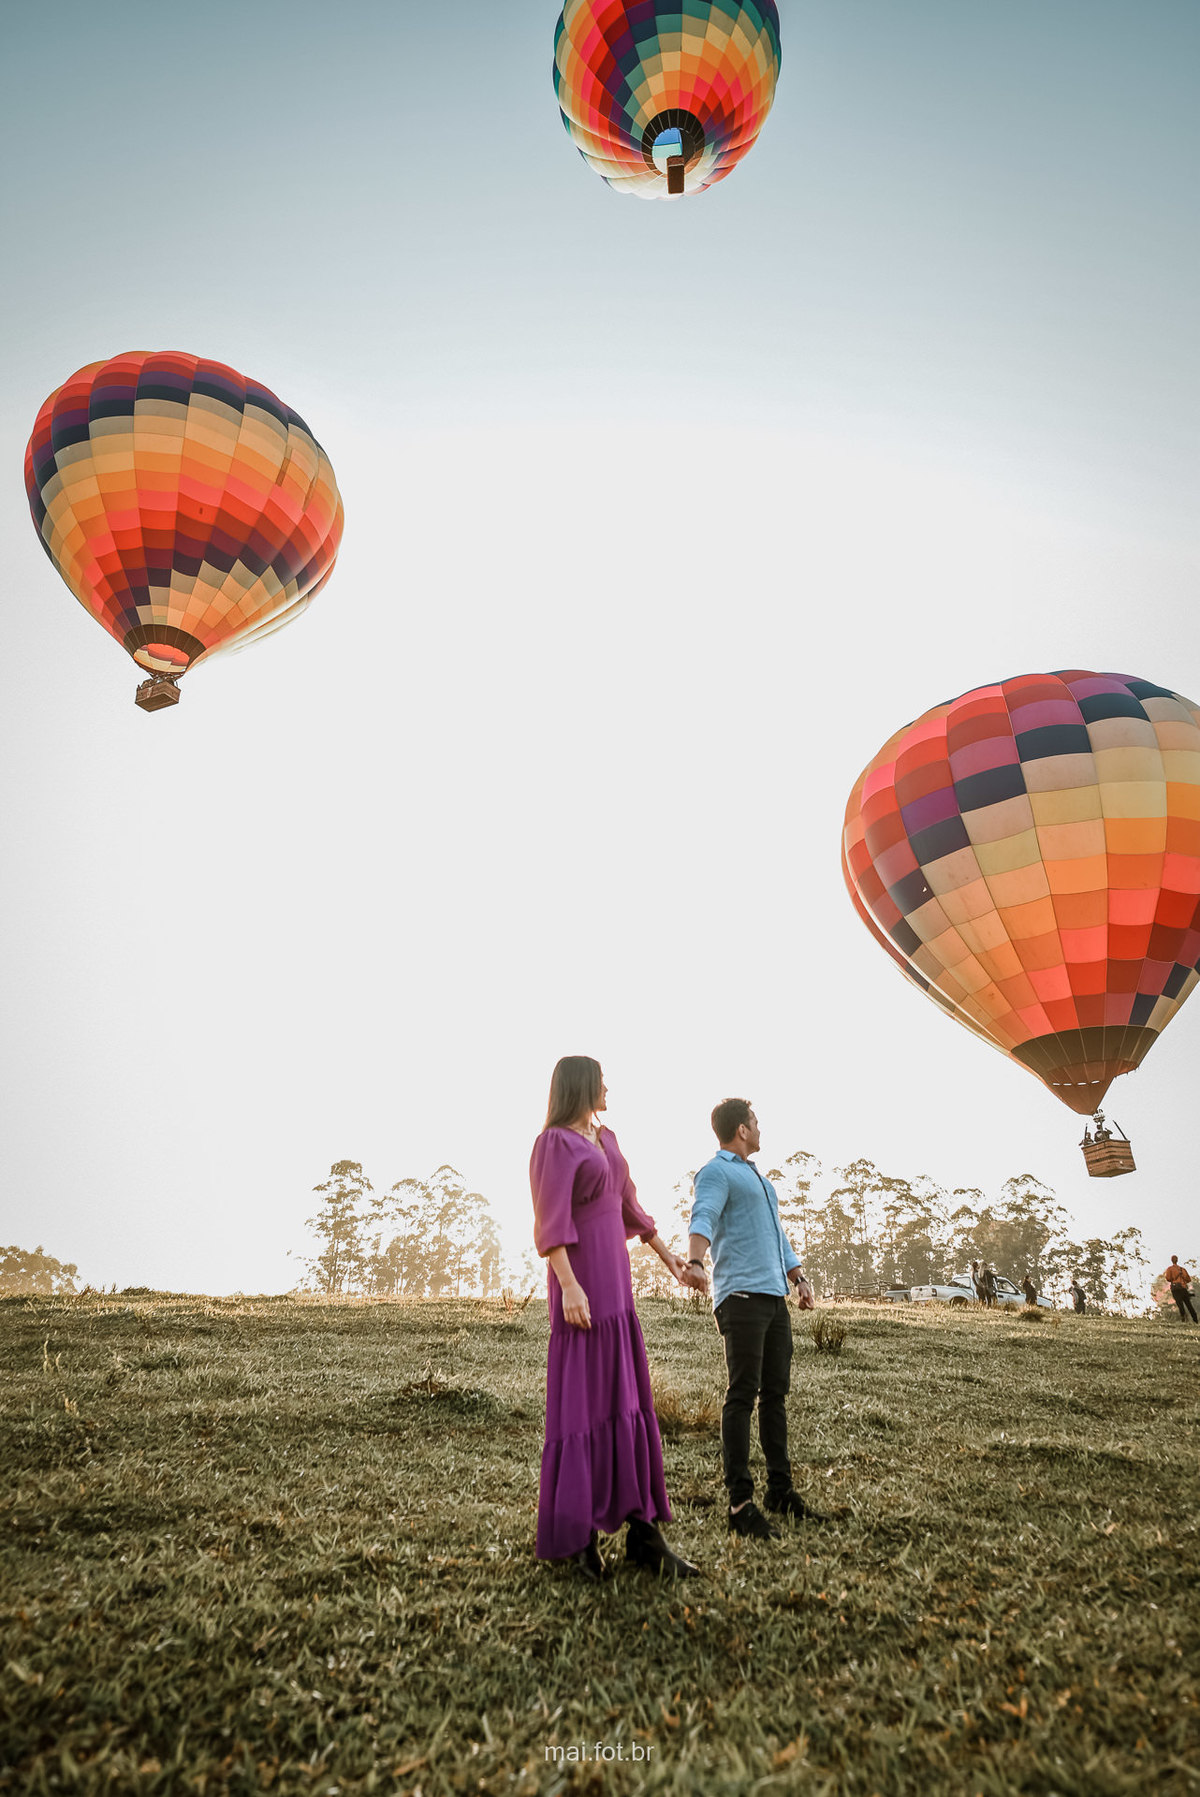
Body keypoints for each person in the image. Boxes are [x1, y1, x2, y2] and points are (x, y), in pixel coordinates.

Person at [530, 1055, 699, 1582]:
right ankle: (578, 1542)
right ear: (581, 1084)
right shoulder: (554, 1143)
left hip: (617, 1290)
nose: (610, 1087)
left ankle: (644, 1537)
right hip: (581, 1287)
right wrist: (570, 1285)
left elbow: (629, 1206)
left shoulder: (608, 1139)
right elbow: (550, 1219)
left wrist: (670, 1258)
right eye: (603, 1079)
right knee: (582, 1407)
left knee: (627, 1400)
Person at [682, 1098, 828, 1541]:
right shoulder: (717, 1172)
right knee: (742, 1394)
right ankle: (740, 1502)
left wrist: (798, 1277)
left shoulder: (759, 1180)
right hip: (741, 1297)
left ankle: (780, 1491)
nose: (760, 1129)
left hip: (773, 1298)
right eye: (756, 1123)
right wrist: (693, 1261)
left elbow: (777, 1234)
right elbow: (702, 1215)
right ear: (741, 1130)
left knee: (775, 1396)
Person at [1161, 1257, 1197, 1323]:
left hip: (1175, 1289)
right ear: (1177, 1260)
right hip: (1183, 1289)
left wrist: (1174, 1279)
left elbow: (1168, 1278)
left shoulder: (1170, 1269)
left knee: (1180, 1305)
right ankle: (1195, 1320)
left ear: (1171, 1260)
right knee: (1189, 1305)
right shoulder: (1182, 1269)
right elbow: (1188, 1279)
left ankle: (1183, 1320)